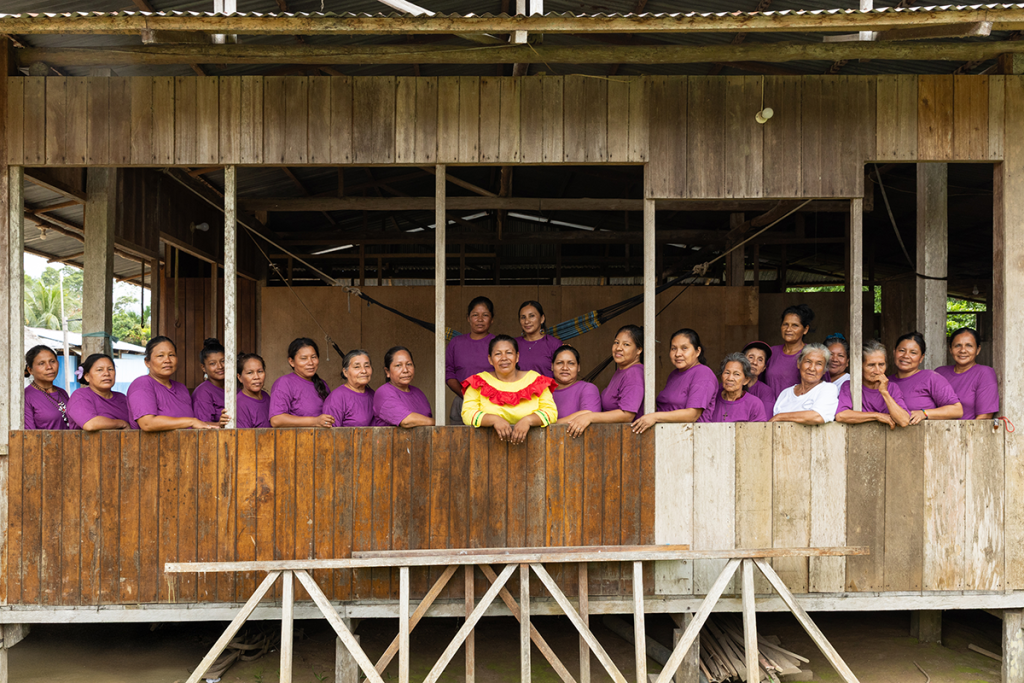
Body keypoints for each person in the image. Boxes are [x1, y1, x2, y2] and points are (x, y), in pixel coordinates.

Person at [461, 335, 558, 443]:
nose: (504, 358)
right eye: (498, 353)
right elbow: (467, 414)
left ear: (517, 357)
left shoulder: (535, 379)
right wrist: (494, 420)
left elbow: (551, 412)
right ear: (490, 359)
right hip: (487, 448)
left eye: (509, 353)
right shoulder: (478, 381)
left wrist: (528, 420)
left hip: (534, 447)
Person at [127, 336, 227, 431]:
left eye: (171, 355)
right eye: (160, 356)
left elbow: (195, 426)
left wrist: (219, 424)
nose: (167, 360)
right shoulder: (142, 384)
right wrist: (191, 421)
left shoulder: (181, 388)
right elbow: (147, 423)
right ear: (147, 362)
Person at [631, 328, 717, 434]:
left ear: (697, 351)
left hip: (691, 438)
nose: (677, 354)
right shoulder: (674, 374)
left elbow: (692, 415)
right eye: (673, 348)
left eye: (684, 348)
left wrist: (654, 417)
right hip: (669, 436)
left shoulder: (703, 373)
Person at [564, 325, 644, 438]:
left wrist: (590, 417)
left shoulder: (634, 373)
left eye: (626, 344)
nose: (619, 348)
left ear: (639, 350)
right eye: (616, 342)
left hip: (629, 440)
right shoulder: (622, 371)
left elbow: (627, 415)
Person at [888, 331, 963, 424]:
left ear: (921, 358)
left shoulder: (930, 378)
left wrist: (924, 413)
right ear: (894, 352)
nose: (906, 356)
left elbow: (957, 410)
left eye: (913, 352)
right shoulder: (886, 382)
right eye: (902, 350)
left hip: (926, 436)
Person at [835, 340, 910, 429]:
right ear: (860, 367)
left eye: (881, 364)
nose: (878, 371)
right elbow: (841, 415)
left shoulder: (892, 388)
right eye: (871, 365)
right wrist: (877, 416)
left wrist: (884, 392)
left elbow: (904, 421)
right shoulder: (849, 386)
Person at [445, 296, 496, 424]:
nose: (480, 319)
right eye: (475, 315)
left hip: (492, 403)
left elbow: (506, 373)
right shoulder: (456, 343)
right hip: (461, 400)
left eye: (485, 315)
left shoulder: (498, 343)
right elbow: (448, 373)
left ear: (492, 319)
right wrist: (466, 395)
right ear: (468, 318)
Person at [935, 327, 999, 420]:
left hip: (968, 432)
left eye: (969, 345)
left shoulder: (984, 373)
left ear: (978, 349)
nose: (963, 350)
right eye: (957, 345)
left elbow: (985, 416)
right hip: (935, 431)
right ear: (950, 349)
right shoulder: (939, 373)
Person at [269, 338, 334, 428]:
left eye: (313, 357)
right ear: (291, 361)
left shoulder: (322, 384)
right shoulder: (284, 383)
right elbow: (276, 420)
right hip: (295, 440)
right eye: (304, 358)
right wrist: (315, 421)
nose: (310, 363)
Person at [771, 343, 840, 425]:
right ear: (799, 364)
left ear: (824, 370)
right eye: (808, 361)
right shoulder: (785, 393)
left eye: (819, 364)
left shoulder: (828, 389)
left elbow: (817, 416)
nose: (811, 368)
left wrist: (780, 417)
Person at [372, 346, 434, 428]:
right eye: (398, 365)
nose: (405, 370)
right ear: (387, 372)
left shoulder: (418, 392)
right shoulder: (384, 392)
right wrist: (436, 423)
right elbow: (406, 421)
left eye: (409, 364)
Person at [66, 353, 130, 431]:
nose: (107, 373)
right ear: (87, 377)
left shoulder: (122, 398)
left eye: (110, 369)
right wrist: (122, 424)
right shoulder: (80, 396)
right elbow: (90, 424)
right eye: (100, 370)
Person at [766, 304, 816, 397]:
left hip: (798, 410)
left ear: (805, 329)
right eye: (785, 324)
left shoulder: (813, 354)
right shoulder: (771, 352)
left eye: (795, 325)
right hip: (771, 409)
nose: (788, 329)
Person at [700, 353, 767, 423]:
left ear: (746, 380)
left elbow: (759, 432)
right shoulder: (712, 398)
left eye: (736, 374)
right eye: (727, 373)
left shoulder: (754, 404)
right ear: (721, 376)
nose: (730, 378)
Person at [24, 345, 73, 430]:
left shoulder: (62, 392)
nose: (49, 367)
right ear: (30, 370)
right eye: (41, 363)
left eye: (52, 361)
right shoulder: (26, 397)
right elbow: (29, 435)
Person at [324, 349, 375, 427]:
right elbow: (330, 434)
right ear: (345, 372)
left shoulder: (373, 395)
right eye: (357, 367)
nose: (364, 371)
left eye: (367, 366)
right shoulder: (337, 397)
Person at [551, 345, 602, 423]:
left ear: (578, 367)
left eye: (571, 363)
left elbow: (590, 414)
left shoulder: (587, 388)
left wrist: (551, 425)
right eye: (559, 363)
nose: (565, 368)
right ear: (552, 366)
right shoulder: (544, 391)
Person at [515, 300, 562, 377]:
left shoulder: (554, 344)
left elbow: (562, 376)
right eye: (523, 317)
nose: (526, 321)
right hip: (518, 389)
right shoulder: (513, 344)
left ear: (542, 319)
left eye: (532, 316)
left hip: (546, 389)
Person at [191, 338, 228, 424]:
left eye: (223, 361)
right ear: (203, 367)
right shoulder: (202, 392)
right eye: (212, 363)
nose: (220, 366)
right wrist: (219, 424)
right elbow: (202, 426)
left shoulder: (237, 388)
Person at [236, 353, 271, 429]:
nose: (256, 377)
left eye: (260, 371)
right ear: (239, 377)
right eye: (250, 373)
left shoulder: (266, 396)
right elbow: (244, 437)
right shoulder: (239, 404)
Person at [743, 341, 776, 416]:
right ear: (741, 361)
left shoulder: (766, 392)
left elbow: (765, 422)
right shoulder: (726, 386)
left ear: (764, 368)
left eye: (760, 360)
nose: (754, 362)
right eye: (751, 357)